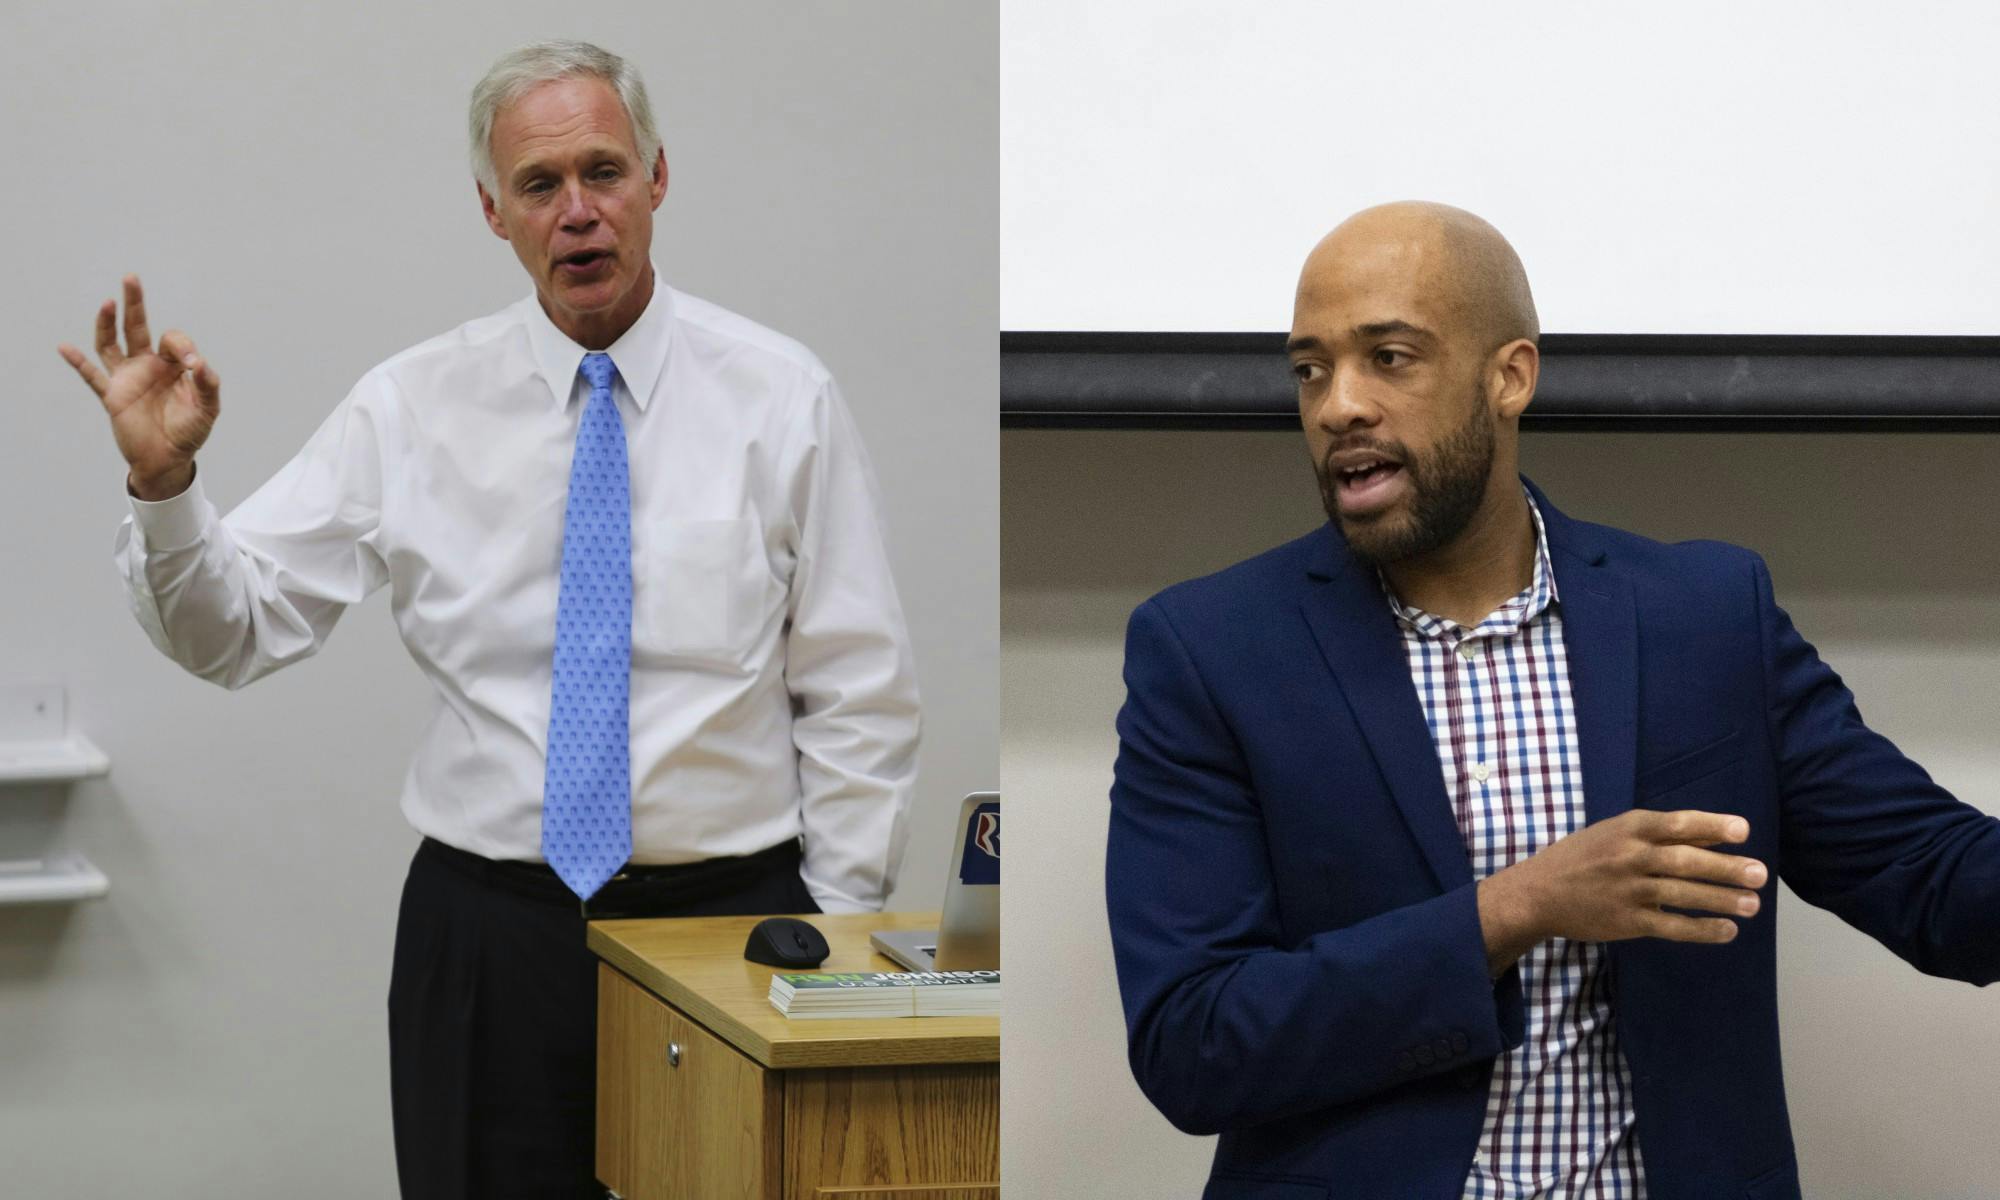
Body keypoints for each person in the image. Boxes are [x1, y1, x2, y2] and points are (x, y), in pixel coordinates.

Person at [56, 40, 919, 1200]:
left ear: (657, 180)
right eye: (538, 185)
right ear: (491, 212)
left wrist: (834, 934)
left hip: (733, 925)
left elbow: (858, 688)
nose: (577, 213)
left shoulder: (781, 397)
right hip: (492, 935)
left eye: (604, 173)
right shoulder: (410, 406)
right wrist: (166, 490)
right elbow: (234, 632)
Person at [1103, 201, 2000, 1200]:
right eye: (1308, 369)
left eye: (1387, 358)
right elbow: (1192, 1040)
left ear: (1509, 376)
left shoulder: (1701, 617)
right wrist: (1516, 908)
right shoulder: (1211, 651)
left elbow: (1934, 883)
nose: (1336, 406)